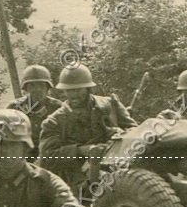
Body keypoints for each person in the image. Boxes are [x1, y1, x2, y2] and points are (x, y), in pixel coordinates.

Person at [38, 64, 137, 197]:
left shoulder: (110, 105)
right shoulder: (54, 122)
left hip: (120, 165)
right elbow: (47, 159)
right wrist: (81, 150)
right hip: (79, 180)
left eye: (78, 90)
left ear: (88, 88)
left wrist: (120, 134)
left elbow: (135, 131)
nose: (74, 95)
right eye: (69, 90)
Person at [6, 64, 63, 157]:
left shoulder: (58, 107)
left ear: (47, 87)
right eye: (32, 85)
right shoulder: (14, 108)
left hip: (51, 156)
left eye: (41, 85)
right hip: (23, 157)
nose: (37, 89)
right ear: (26, 88)